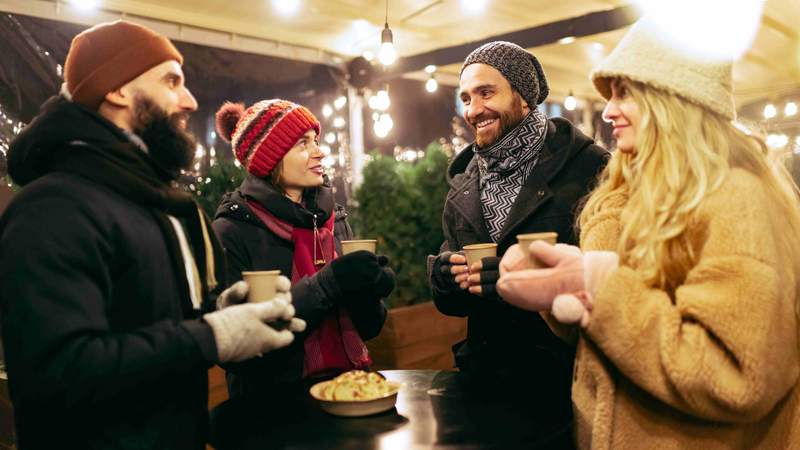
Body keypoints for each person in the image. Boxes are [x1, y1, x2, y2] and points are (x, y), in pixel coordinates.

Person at [496, 18, 800, 450]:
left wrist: (596, 287)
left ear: (675, 99)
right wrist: (554, 284)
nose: (606, 110)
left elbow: (738, 377)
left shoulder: (736, 198)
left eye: (625, 92)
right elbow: (612, 339)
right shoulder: (626, 195)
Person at [0, 20, 304, 450]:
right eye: (171, 81)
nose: (190, 100)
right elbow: (57, 374)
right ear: (117, 89)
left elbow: (142, 321)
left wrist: (216, 311)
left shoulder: (143, 198)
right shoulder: (53, 208)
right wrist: (212, 336)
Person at [426, 40, 608, 429]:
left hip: (562, 387)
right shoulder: (463, 181)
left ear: (523, 96)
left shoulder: (588, 167)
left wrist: (516, 280)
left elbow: (614, 277)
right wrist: (444, 278)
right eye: (466, 98)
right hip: (482, 384)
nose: (473, 110)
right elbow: (453, 303)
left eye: (486, 92)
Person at [211, 100, 393, 398]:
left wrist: (370, 291)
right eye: (302, 143)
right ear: (270, 159)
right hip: (272, 414)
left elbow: (369, 329)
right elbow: (235, 353)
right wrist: (327, 285)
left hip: (348, 393)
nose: (319, 151)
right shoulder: (232, 230)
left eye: (316, 140)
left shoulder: (334, 219)